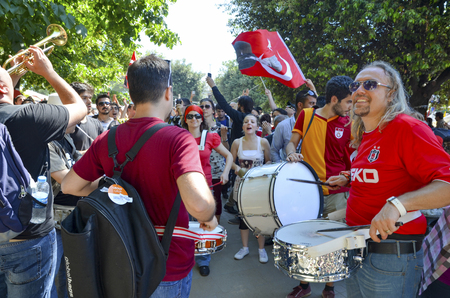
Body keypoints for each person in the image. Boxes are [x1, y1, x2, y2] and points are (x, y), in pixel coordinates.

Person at [61, 55, 217, 298]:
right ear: (168, 92)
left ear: (131, 93)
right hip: (166, 267)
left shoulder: (108, 139)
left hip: (120, 262)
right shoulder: (178, 139)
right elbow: (199, 204)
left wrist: (110, 192)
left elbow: (70, 185)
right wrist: (209, 215)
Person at [325, 61, 450, 298]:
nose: (359, 90)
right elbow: (386, 173)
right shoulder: (365, 135)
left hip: (392, 256)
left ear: (391, 93)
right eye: (355, 85)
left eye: (370, 84)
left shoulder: (408, 128)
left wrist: (397, 205)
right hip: (357, 249)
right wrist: (350, 178)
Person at [0, 45, 86, 297]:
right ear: (6, 89)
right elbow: (78, 107)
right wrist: (49, 73)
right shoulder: (28, 116)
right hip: (29, 238)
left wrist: (11, 76)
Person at [285, 76, 354, 298]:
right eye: (348, 102)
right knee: (304, 239)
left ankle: (329, 287)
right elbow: (291, 142)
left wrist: (347, 176)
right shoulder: (306, 115)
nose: (350, 107)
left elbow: (356, 159)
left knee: (332, 242)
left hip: (338, 194)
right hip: (309, 192)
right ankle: (304, 285)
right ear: (334, 99)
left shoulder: (349, 123)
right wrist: (291, 153)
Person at [181, 103, 233, 277]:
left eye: (197, 116)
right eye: (190, 116)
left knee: (203, 223)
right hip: (183, 188)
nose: (194, 119)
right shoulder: (179, 137)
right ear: (185, 119)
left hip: (205, 187)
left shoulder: (210, 137)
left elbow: (229, 155)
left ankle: (203, 259)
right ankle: (186, 257)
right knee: (185, 223)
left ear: (202, 119)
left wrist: (225, 173)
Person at [230, 114, 271, 264]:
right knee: (243, 217)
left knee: (260, 216)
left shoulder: (264, 142)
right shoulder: (236, 142)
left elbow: (269, 161)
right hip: (241, 185)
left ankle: (261, 249)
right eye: (246, 121)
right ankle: (245, 248)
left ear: (257, 126)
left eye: (252, 122)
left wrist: (261, 170)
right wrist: (239, 169)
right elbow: (230, 160)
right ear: (243, 126)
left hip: (259, 185)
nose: (249, 124)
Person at [270, 87, 317, 163]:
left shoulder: (316, 125)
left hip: (310, 171)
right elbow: (274, 150)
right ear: (300, 105)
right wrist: (282, 169)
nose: (315, 107)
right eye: (311, 103)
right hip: (289, 171)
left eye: (315, 104)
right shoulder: (283, 126)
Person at [69, 82, 104, 153]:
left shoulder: (96, 123)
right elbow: (63, 154)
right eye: (84, 98)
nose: (89, 101)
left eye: (90, 98)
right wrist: (89, 153)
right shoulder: (66, 126)